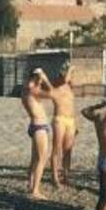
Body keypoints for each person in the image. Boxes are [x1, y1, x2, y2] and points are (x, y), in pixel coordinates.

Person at [22, 67, 53, 198]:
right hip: (39, 126)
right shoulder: (32, 89)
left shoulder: (26, 88)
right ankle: (35, 190)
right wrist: (45, 78)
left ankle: (30, 183)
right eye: (38, 79)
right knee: (41, 159)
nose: (40, 81)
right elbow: (51, 92)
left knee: (35, 158)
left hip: (37, 125)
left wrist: (39, 79)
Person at [48, 62, 77, 186]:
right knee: (57, 149)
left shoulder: (69, 86)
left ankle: (66, 175)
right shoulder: (57, 82)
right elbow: (64, 79)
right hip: (59, 118)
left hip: (70, 119)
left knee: (68, 150)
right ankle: (54, 176)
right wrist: (71, 68)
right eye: (67, 71)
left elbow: (72, 105)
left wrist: (77, 124)